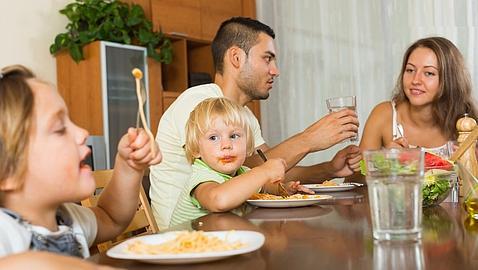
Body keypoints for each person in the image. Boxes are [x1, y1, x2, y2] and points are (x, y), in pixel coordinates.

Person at [150, 16, 361, 228]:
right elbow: (258, 171)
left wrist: (329, 169)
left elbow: (273, 169)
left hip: (224, 229)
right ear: (236, 57)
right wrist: (309, 139)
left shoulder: (244, 116)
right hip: (182, 237)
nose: (275, 70)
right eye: (267, 58)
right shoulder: (201, 104)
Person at [0, 65, 162, 258]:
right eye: (60, 128)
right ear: (7, 172)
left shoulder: (68, 218)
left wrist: (129, 167)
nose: (82, 132)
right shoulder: (5, 232)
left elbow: (111, 217)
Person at [170, 98, 312, 226]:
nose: (226, 145)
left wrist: (285, 189)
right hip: (188, 249)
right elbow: (219, 200)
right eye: (213, 138)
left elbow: (265, 188)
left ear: (248, 144)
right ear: (196, 149)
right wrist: (264, 171)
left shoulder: (242, 172)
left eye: (234, 136)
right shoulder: (202, 176)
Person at [360, 37, 478, 153]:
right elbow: (358, 170)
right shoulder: (384, 115)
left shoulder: (468, 123)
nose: (415, 80)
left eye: (429, 73)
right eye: (410, 70)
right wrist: (385, 164)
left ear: (450, 80)